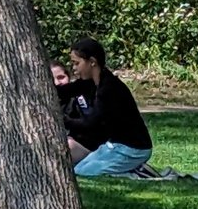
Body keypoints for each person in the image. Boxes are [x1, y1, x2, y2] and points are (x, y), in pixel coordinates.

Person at [56, 38, 156, 178]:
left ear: (92, 62)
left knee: (84, 173)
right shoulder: (91, 82)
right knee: (78, 169)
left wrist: (62, 120)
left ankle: (138, 171)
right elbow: (65, 91)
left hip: (133, 149)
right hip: (113, 145)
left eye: (77, 63)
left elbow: (91, 124)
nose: (74, 68)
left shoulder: (109, 88)